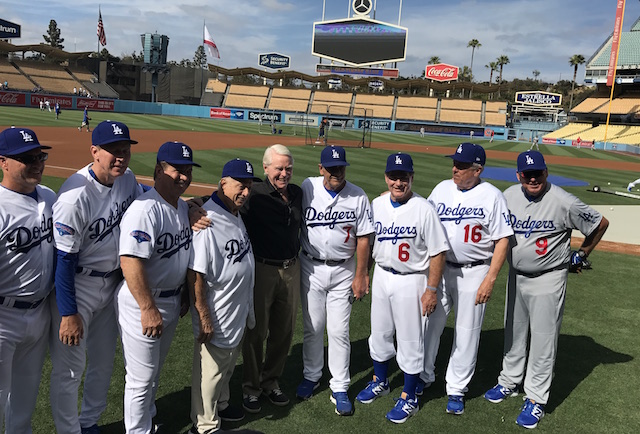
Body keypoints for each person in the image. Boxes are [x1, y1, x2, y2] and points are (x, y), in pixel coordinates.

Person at [484, 150, 609, 429]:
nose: (533, 179)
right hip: (516, 276)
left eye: (537, 173)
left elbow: (599, 223)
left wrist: (582, 253)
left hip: (549, 278)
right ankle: (508, 381)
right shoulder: (508, 196)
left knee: (543, 339)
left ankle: (536, 398)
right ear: (518, 176)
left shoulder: (563, 200)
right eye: (527, 174)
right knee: (513, 332)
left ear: (546, 172)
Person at [50, 120, 141, 434]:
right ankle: (69, 430)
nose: (120, 157)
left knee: (103, 364)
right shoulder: (75, 197)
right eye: (113, 151)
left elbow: (150, 201)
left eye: (125, 151)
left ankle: (89, 423)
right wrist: (68, 312)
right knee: (70, 370)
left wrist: (192, 205)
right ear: (94, 152)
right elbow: (63, 260)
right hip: (79, 285)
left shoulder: (127, 180)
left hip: (112, 283)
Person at [356, 152, 449, 424]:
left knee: (410, 339)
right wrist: (364, 275)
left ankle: (409, 396)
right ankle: (380, 381)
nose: (399, 182)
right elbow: (369, 243)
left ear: (412, 178)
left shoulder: (424, 208)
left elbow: (438, 253)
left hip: (412, 279)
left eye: (404, 177)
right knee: (380, 333)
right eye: (394, 177)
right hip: (383, 275)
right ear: (386, 178)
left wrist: (431, 289)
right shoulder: (377, 204)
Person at [420, 143, 513, 414]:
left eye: (461, 166)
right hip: (440, 269)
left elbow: (503, 240)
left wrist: (490, 279)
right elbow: (423, 218)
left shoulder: (492, 196)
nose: (455, 169)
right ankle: (423, 376)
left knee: (467, 331)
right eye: (455, 163)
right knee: (430, 324)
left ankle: (456, 388)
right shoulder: (441, 189)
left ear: (477, 169)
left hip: (475, 271)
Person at [116, 141, 200, 434]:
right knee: (140, 377)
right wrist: (147, 308)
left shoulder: (178, 206)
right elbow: (130, 261)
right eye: (177, 170)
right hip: (144, 302)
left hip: (169, 300)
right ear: (158, 170)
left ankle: (147, 420)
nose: (184, 176)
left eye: (188, 171)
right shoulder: (145, 209)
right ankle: (137, 431)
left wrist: (182, 296)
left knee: (153, 373)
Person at [296, 146, 374, 416]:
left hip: (344, 270)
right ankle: (311, 374)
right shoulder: (308, 187)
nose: (336, 172)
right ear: (321, 169)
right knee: (313, 327)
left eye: (340, 167)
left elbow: (365, 237)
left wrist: (362, 274)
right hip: (311, 266)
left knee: (339, 331)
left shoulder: (358, 195)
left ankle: (340, 385)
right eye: (331, 168)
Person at [187, 159, 258, 434]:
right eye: (241, 186)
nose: (246, 192)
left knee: (227, 365)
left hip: (235, 306)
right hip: (217, 309)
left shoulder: (234, 212)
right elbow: (196, 273)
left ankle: (223, 404)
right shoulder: (208, 220)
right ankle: (204, 425)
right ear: (223, 183)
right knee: (211, 371)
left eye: (249, 186)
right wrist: (203, 313)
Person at [0, 127, 55, 433]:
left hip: (39, 313)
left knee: (24, 398)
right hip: (3, 318)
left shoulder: (48, 196)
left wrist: (190, 204)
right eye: (26, 158)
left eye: (39, 155)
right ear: (3, 162)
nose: (36, 163)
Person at [240, 144, 303, 413]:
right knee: (256, 331)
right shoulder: (253, 194)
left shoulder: (298, 193)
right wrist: (194, 206)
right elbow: (221, 201)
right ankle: (252, 387)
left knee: (284, 331)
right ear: (265, 168)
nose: (284, 173)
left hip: (291, 269)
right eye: (279, 168)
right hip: (262, 269)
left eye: (288, 168)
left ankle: (270, 381)